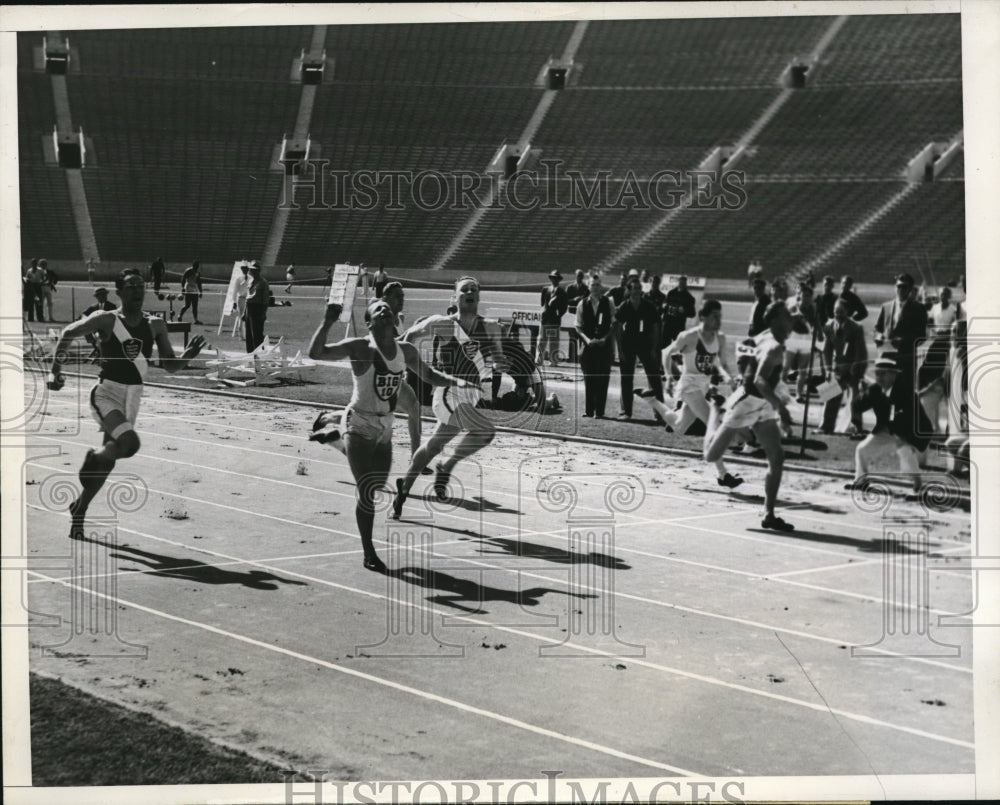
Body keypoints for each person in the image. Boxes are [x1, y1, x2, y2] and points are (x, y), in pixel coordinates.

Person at [46, 269, 207, 540]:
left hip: (133, 397)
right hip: (106, 393)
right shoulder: (107, 319)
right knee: (130, 444)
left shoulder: (155, 324)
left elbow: (169, 366)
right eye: (131, 286)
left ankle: (79, 508)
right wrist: (54, 371)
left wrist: (187, 356)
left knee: (109, 462)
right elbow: (67, 333)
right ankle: (94, 458)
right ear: (118, 292)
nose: (137, 290)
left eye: (141, 286)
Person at [308, 298, 466, 572]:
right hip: (359, 422)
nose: (384, 309)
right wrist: (328, 321)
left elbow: (429, 375)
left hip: (385, 428)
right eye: (377, 308)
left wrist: (456, 381)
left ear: (394, 321)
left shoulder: (405, 350)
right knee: (367, 490)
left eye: (387, 308)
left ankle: (337, 439)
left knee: (378, 485)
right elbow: (317, 353)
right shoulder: (360, 347)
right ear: (369, 323)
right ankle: (369, 552)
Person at [392, 276, 505, 518]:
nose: (470, 292)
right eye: (464, 289)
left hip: (471, 396)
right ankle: (447, 466)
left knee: (433, 446)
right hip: (448, 393)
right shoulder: (442, 324)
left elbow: (500, 362)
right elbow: (409, 336)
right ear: (455, 297)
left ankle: (404, 488)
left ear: (478, 296)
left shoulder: (491, 327)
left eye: (475, 288)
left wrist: (503, 358)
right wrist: (399, 363)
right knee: (485, 431)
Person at [704, 303, 796, 531]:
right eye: (787, 318)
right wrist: (781, 409)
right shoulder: (773, 347)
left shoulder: (767, 336)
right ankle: (716, 411)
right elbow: (759, 380)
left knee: (777, 456)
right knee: (711, 455)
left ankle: (769, 514)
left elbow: (748, 353)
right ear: (775, 321)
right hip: (746, 401)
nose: (791, 323)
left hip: (763, 402)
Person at [644, 299, 744, 488]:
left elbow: (721, 363)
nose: (718, 320)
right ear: (702, 317)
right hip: (689, 386)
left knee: (679, 426)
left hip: (703, 386)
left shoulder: (719, 338)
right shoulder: (689, 336)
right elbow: (666, 352)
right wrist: (669, 378)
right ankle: (723, 474)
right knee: (711, 423)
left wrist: (730, 379)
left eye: (720, 316)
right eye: (715, 316)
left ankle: (652, 400)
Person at [845, 356, 932, 498]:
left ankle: (919, 486)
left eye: (883, 373)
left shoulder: (904, 391)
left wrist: (901, 437)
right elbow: (857, 406)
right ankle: (861, 481)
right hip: (888, 428)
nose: (879, 377)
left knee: (903, 449)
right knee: (862, 449)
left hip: (913, 429)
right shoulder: (874, 389)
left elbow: (902, 418)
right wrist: (862, 393)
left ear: (894, 374)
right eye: (877, 373)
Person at [381, 281, 426, 464]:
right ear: (386, 298)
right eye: (397, 296)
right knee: (366, 421)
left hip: (395, 377)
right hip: (378, 379)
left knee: (414, 408)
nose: (401, 300)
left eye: (403, 296)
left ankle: (416, 458)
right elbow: (388, 346)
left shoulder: (396, 318)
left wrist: (413, 328)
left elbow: (400, 342)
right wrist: (413, 332)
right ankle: (329, 421)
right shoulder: (380, 316)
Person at [614, 274, 663, 420]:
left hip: (645, 344)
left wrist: (654, 348)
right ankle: (626, 411)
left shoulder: (648, 306)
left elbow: (655, 328)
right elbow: (617, 327)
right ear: (629, 290)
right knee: (626, 378)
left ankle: (660, 412)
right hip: (628, 344)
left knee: (654, 378)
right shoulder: (625, 306)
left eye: (639, 288)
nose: (637, 291)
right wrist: (620, 350)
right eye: (634, 288)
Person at [817, 299, 867, 435]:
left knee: (855, 399)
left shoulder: (856, 328)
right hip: (837, 367)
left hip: (853, 367)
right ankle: (825, 426)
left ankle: (857, 427)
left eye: (841, 312)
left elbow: (860, 351)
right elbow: (826, 350)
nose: (838, 315)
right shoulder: (828, 326)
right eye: (835, 312)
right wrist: (828, 370)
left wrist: (856, 371)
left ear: (847, 312)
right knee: (829, 394)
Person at [874, 272, 928, 389]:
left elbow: (922, 336)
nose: (901, 290)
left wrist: (903, 341)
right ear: (895, 287)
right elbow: (877, 329)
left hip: (906, 359)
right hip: (886, 357)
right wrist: (879, 337)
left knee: (904, 395)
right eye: (899, 286)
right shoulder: (886, 307)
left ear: (910, 289)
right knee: (884, 393)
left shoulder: (918, 309)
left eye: (904, 287)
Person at [575, 273, 615, 419]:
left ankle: (599, 411)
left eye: (598, 285)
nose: (596, 288)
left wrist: (605, 339)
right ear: (588, 286)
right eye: (593, 285)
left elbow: (613, 324)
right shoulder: (582, 303)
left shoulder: (608, 302)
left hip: (604, 347)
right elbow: (578, 326)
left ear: (601, 286)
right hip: (588, 347)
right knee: (589, 379)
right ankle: (589, 410)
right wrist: (587, 340)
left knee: (603, 379)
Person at [492, 320, 545, 412]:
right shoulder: (496, 350)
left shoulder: (514, 347)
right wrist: (494, 397)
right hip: (518, 377)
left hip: (531, 373)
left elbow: (529, 367)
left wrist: (524, 387)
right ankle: (525, 399)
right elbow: (496, 375)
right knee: (512, 402)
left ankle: (552, 399)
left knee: (541, 407)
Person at [784, 283, 819, 403]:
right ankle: (781, 391)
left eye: (809, 296)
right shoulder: (793, 306)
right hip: (794, 337)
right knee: (786, 367)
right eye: (804, 295)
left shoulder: (813, 308)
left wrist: (818, 338)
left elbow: (816, 325)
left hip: (806, 339)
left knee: (803, 369)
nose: (807, 298)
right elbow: (785, 320)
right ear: (800, 296)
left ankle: (799, 394)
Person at [536, 270, 568, 367]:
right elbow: (542, 303)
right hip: (545, 319)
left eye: (556, 279)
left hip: (554, 320)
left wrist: (558, 315)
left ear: (559, 280)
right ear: (551, 279)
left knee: (553, 342)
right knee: (541, 340)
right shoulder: (545, 289)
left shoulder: (562, 292)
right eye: (553, 278)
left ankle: (553, 361)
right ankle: (539, 360)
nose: (555, 280)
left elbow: (564, 307)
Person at [662, 275, 696, 349]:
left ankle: (676, 359)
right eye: (680, 283)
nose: (681, 285)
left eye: (683, 283)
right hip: (667, 324)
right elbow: (665, 305)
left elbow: (692, 313)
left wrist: (684, 311)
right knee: (664, 345)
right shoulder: (671, 293)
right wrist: (664, 306)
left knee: (678, 347)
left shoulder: (689, 298)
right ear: (678, 283)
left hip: (678, 326)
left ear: (686, 284)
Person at [244, 261, 269, 352]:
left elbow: (265, 300)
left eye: (253, 270)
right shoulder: (250, 281)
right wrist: (244, 313)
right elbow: (247, 298)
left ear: (258, 271)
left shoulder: (263, 282)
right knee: (248, 334)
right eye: (251, 269)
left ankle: (258, 356)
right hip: (249, 309)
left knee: (257, 335)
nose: (251, 271)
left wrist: (263, 313)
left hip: (257, 309)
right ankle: (249, 354)